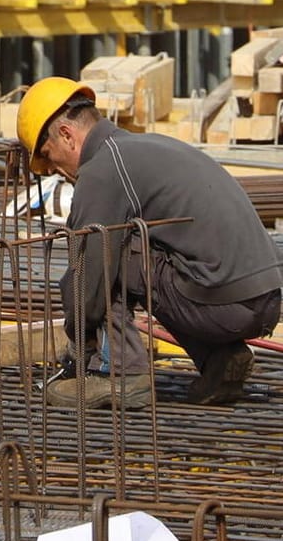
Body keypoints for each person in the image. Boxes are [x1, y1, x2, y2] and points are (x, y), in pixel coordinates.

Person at [17, 76, 282, 409]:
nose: (57, 169)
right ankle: (220, 359)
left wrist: (78, 343)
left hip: (223, 302)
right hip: (265, 299)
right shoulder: (147, 147)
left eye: (50, 155)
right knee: (157, 260)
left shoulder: (102, 168)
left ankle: (119, 373)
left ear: (67, 136)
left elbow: (87, 278)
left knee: (110, 252)